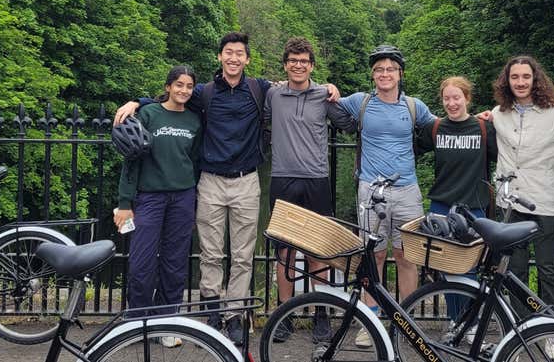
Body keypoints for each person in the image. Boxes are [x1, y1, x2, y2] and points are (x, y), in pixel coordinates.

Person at [114, 32, 338, 346]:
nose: (233, 59)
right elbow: (172, 98)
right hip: (210, 181)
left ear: (247, 59)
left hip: (247, 181)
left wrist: (328, 88)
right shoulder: (203, 93)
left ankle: (235, 317)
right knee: (211, 254)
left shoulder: (260, 89)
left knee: (244, 256)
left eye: (239, 54)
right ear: (220, 57)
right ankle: (212, 313)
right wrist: (138, 101)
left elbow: (296, 87)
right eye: (228, 53)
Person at [337, 44, 434, 347]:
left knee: (407, 256)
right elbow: (329, 104)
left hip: (407, 191)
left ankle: (406, 319)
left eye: (390, 69)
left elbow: (442, 128)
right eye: (379, 69)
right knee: (373, 256)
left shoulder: (414, 106)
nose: (384, 74)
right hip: (371, 190)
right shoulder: (360, 102)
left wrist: (479, 120)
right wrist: (328, 87)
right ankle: (371, 320)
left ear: (399, 73)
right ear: (373, 74)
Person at [265, 37, 355, 343]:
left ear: (311, 65)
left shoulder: (323, 95)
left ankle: (321, 314)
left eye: (303, 61)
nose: (298, 65)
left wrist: (337, 94)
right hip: (282, 178)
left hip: (316, 180)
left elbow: (351, 122)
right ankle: (285, 315)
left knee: (319, 251)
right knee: (285, 251)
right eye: (293, 60)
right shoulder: (273, 94)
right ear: (286, 64)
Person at [114, 65, 201, 348]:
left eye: (189, 86)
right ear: (168, 87)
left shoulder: (195, 120)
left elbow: (196, 161)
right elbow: (131, 160)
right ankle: (137, 323)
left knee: (175, 264)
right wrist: (125, 203)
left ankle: (168, 322)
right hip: (149, 198)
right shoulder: (148, 114)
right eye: (178, 85)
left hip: (183, 197)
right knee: (142, 262)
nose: (184, 90)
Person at [490, 56, 554, 319]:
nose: (520, 82)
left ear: (536, 79)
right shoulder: (498, 114)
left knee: (548, 267)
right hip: (511, 200)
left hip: (545, 199)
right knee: (515, 267)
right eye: (515, 77)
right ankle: (521, 325)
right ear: (507, 80)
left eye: (526, 76)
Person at [417, 76, 496, 219]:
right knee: (437, 242)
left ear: (467, 98)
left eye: (456, 98)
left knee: (474, 242)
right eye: (446, 98)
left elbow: (505, 157)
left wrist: (498, 117)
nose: (451, 103)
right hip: (440, 205)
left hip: (475, 207)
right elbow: (408, 150)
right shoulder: (435, 128)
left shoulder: (484, 128)